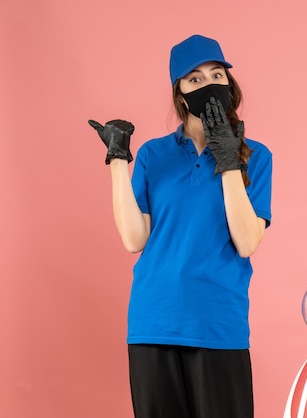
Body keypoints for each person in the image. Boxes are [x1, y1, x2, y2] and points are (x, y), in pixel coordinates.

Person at [88, 34, 272, 418]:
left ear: (230, 85)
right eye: (195, 79)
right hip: (153, 321)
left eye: (216, 75)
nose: (208, 85)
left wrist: (228, 160)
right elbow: (133, 238)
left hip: (218, 323)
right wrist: (119, 160)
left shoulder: (255, 156)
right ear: (181, 94)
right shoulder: (155, 154)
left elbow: (246, 242)